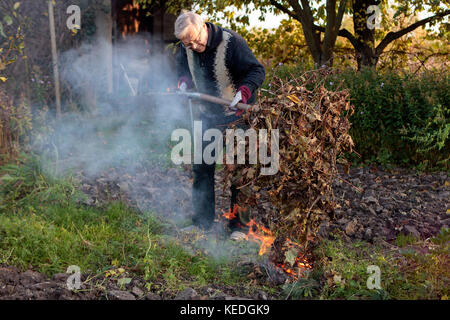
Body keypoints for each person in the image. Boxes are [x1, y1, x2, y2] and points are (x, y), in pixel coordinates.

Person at [174, 11, 265, 239]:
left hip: (237, 117)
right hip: (208, 116)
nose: (193, 46)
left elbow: (257, 70)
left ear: (204, 26)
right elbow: (182, 70)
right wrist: (184, 83)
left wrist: (243, 92)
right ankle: (202, 223)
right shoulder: (185, 47)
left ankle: (240, 228)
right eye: (188, 43)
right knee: (202, 168)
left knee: (240, 172)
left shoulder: (232, 42)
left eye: (196, 40)